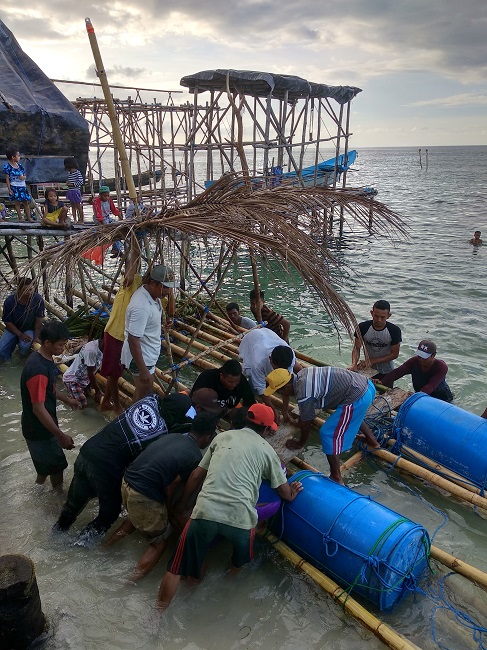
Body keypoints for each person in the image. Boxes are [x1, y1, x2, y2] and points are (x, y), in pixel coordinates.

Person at [156, 403, 303, 609]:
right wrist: (292, 493)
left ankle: (158, 614)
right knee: (239, 562)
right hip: (241, 521)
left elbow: (197, 475)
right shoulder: (268, 452)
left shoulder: (221, 438)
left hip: (205, 512)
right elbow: (284, 492)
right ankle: (224, 592)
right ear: (267, 430)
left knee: (175, 568)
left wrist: (182, 506)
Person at [54, 392, 195, 543]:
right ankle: (80, 545)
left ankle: (56, 535)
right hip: (106, 467)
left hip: (88, 451)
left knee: (73, 504)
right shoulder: (161, 433)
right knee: (110, 513)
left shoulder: (150, 399)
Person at [105, 412, 219, 580]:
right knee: (159, 544)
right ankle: (128, 584)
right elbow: (171, 486)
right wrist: (171, 510)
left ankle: (106, 547)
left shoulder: (173, 436)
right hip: (143, 495)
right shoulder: (195, 456)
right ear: (208, 437)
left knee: (135, 518)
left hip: (127, 482)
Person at [265, 365, 378, 484]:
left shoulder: (304, 393)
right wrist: (298, 420)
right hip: (367, 386)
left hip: (359, 397)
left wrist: (300, 443)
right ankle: (372, 440)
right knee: (351, 414)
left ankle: (336, 476)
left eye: (279, 391)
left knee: (327, 433)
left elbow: (307, 422)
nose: (280, 394)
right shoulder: (302, 373)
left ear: (287, 386)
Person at [20, 320, 80, 488]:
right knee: (57, 469)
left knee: (44, 468)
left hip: (36, 426)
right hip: (40, 430)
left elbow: (48, 390)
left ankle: (38, 491)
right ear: (47, 343)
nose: (63, 348)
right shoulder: (38, 370)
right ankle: (57, 498)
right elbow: (38, 408)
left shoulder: (42, 359)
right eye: (61, 345)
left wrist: (67, 400)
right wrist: (60, 436)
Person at [121, 264, 177, 402]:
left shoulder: (152, 295)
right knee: (144, 391)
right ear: (152, 283)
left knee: (144, 390)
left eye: (169, 287)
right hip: (142, 357)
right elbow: (133, 339)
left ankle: (134, 412)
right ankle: (134, 414)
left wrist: (162, 324)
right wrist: (143, 370)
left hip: (148, 354)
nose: (168, 291)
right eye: (165, 287)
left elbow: (148, 323)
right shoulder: (142, 307)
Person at [99, 247, 142, 414]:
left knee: (116, 372)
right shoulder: (130, 283)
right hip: (116, 333)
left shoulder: (143, 289)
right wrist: (135, 245)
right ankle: (116, 406)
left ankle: (106, 402)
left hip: (125, 335)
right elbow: (134, 262)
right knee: (114, 373)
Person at [239, 327, 297, 419]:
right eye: (277, 368)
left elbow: (285, 383)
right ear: (270, 359)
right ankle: (249, 403)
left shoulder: (290, 358)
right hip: (253, 338)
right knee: (253, 383)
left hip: (268, 335)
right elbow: (260, 388)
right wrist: (273, 410)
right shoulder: (258, 361)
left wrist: (285, 410)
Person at [379, 339, 454, 402]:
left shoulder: (441, 367)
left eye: (424, 357)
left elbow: (431, 386)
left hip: (442, 398)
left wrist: (416, 396)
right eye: (419, 356)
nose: (421, 359)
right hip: (419, 395)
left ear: (433, 355)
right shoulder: (414, 361)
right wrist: (382, 381)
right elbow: (397, 372)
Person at [350, 300, 402, 378]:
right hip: (368, 370)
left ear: (389, 316)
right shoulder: (363, 327)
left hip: (387, 371)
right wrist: (354, 364)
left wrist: (371, 361)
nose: (379, 320)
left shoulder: (394, 330)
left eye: (382, 317)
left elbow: (394, 354)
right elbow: (356, 348)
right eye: (376, 316)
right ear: (371, 313)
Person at [0, 278, 45, 361]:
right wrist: (20, 334)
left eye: (31, 289)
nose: (30, 292)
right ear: (19, 289)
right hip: (12, 329)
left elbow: (39, 319)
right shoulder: (10, 301)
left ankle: (21, 358)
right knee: (1, 349)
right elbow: (7, 321)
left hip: (29, 329)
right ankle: (6, 362)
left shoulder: (37, 299)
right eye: (26, 290)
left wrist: (36, 336)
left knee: (24, 347)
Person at [190, 359, 256, 413]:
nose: (233, 385)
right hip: (205, 408)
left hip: (227, 408)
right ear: (221, 376)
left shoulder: (242, 381)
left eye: (236, 382)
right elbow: (193, 399)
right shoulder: (208, 376)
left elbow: (250, 402)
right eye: (230, 382)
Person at [62, 337, 104, 408]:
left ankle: (73, 396)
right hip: (72, 380)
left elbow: (95, 368)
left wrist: (90, 385)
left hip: (83, 380)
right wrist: (98, 391)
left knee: (84, 399)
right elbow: (91, 372)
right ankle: (68, 400)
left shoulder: (102, 348)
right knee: (82, 404)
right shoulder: (91, 350)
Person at [92, 186, 122, 257]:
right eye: (104, 196)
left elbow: (114, 209)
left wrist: (120, 216)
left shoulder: (109, 200)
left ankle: (116, 249)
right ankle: (116, 249)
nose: (106, 197)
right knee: (111, 230)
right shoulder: (97, 201)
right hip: (99, 219)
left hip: (107, 217)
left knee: (117, 226)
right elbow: (98, 213)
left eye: (108, 196)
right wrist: (103, 224)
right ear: (100, 195)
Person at [3, 147, 32, 222]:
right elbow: (7, 179)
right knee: (17, 203)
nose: (19, 157)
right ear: (13, 157)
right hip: (14, 186)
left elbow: (24, 176)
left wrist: (23, 177)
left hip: (22, 186)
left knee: (25, 202)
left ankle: (29, 218)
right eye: (18, 156)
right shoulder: (7, 167)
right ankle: (20, 218)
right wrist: (9, 189)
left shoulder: (20, 166)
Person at [64, 156, 85, 224]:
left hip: (75, 191)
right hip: (70, 191)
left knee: (78, 206)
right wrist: (68, 183)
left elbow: (81, 182)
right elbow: (69, 181)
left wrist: (72, 184)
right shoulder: (69, 173)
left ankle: (81, 220)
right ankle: (75, 220)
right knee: (73, 206)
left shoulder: (77, 172)